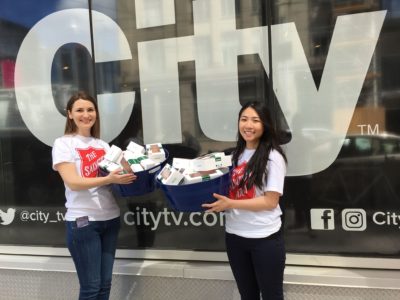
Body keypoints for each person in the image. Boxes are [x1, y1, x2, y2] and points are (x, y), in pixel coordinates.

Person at [52, 91, 136, 300]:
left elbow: (123, 177)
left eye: (90, 109)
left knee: (104, 286)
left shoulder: (102, 145)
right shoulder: (64, 144)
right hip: (83, 222)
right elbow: (73, 182)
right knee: (91, 288)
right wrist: (109, 179)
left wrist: (128, 162)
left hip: (110, 219)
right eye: (79, 110)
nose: (86, 114)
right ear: (70, 114)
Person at [203, 101, 287, 300]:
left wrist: (230, 204)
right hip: (235, 236)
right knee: (247, 295)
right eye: (244, 119)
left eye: (255, 120)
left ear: (265, 125)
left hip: (265, 238)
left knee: (271, 295)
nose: (248, 125)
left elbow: (270, 202)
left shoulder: (273, 157)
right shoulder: (235, 156)